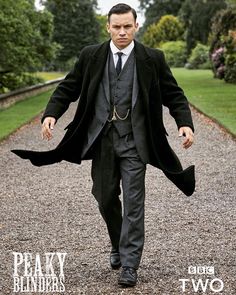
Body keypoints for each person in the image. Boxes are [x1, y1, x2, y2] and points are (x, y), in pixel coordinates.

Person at [12, 3, 195, 287]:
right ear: (108, 27)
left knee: (134, 203)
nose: (122, 32)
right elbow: (68, 87)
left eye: (127, 26)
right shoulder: (91, 56)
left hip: (136, 143)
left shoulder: (152, 58)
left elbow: (173, 93)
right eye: (117, 26)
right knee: (105, 197)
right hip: (102, 141)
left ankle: (130, 264)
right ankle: (117, 241)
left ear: (136, 26)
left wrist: (184, 123)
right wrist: (50, 114)